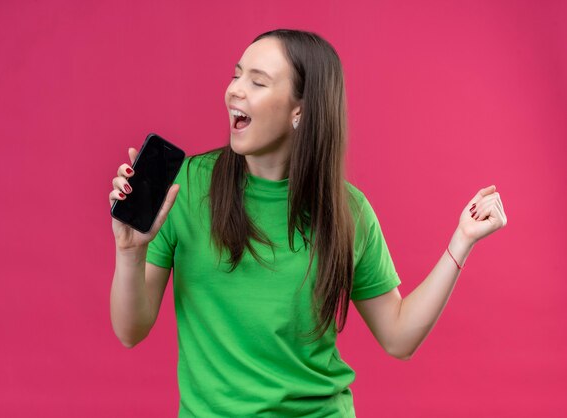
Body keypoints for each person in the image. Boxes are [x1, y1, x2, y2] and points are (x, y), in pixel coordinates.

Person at [108, 29, 507, 418]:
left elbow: (399, 337)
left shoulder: (347, 210)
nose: (234, 90)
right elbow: (131, 331)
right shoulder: (188, 188)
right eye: (236, 74)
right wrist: (130, 252)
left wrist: (462, 241)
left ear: (299, 110)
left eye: (257, 81)